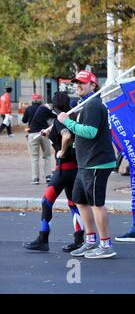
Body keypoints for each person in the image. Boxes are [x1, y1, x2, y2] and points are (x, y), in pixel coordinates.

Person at [57, 70, 117, 259]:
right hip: (85, 163)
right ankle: (91, 241)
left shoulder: (92, 105)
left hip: (97, 162)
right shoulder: (83, 105)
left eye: (83, 83)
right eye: (77, 83)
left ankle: (106, 245)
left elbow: (90, 132)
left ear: (93, 85)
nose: (78, 86)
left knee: (96, 204)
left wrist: (67, 122)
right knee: (80, 200)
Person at [23, 92, 85, 252]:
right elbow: (66, 132)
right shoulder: (73, 118)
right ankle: (79, 239)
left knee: (46, 202)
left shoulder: (60, 120)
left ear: (54, 106)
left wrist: (62, 152)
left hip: (63, 170)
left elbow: (66, 135)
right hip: (75, 169)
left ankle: (43, 238)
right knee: (73, 204)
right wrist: (48, 133)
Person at [23, 94, 55, 185]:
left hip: (32, 134)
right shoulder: (44, 108)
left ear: (32, 100)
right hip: (43, 133)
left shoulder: (29, 109)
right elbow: (53, 116)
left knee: (34, 157)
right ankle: (48, 176)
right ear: (41, 100)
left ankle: (35, 178)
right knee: (47, 156)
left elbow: (24, 121)